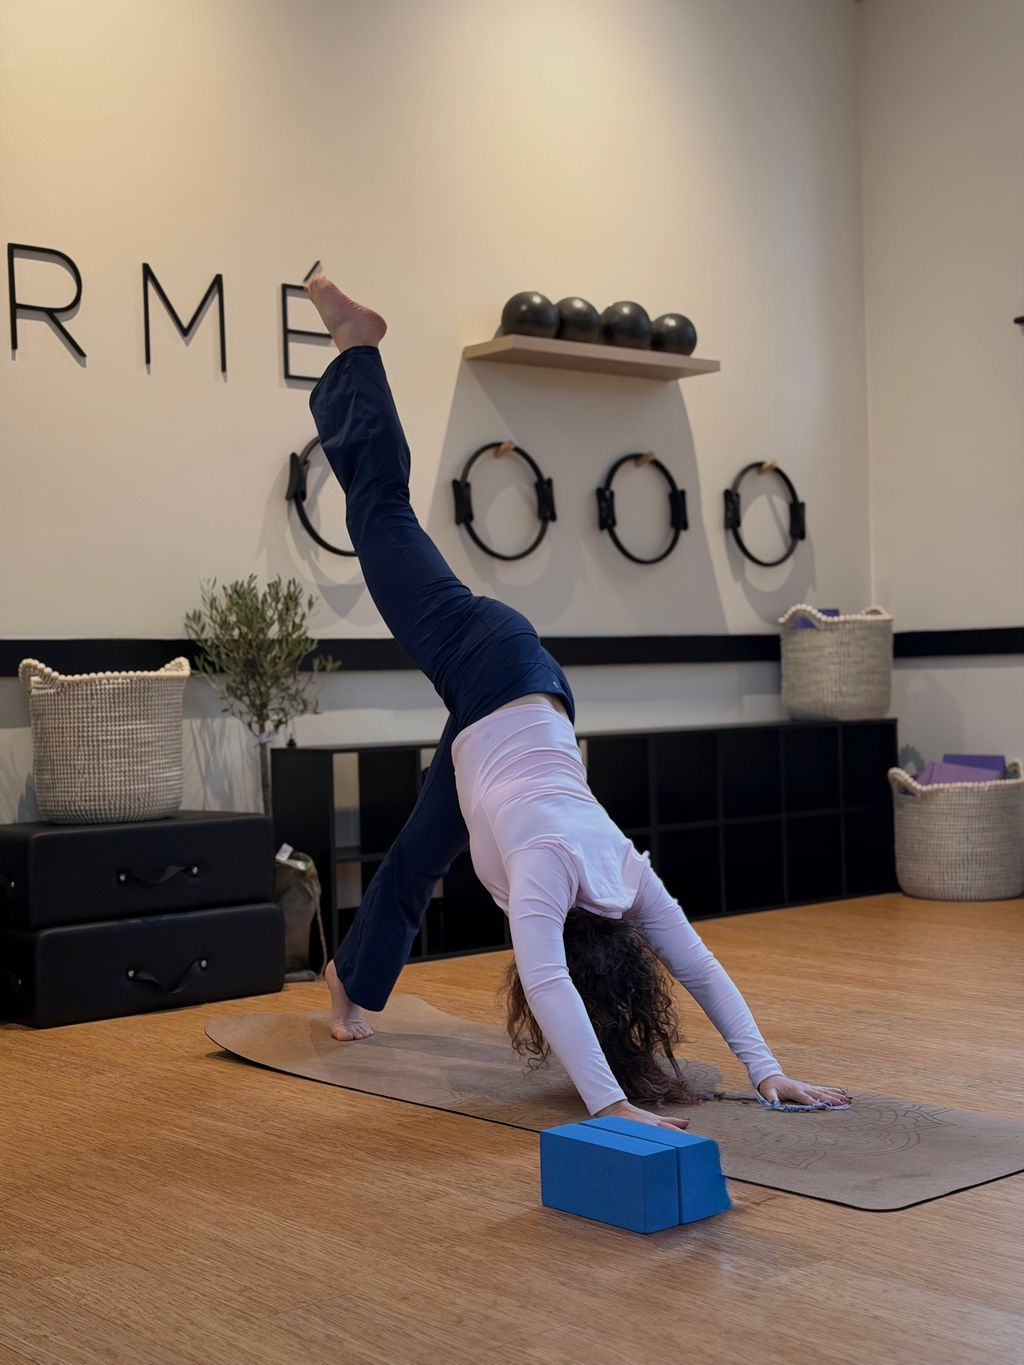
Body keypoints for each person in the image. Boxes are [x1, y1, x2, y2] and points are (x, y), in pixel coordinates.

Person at [304, 271, 851, 1131]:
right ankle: (357, 349)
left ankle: (349, 986)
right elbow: (565, 984)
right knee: (381, 520)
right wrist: (615, 1104)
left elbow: (700, 966)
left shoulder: (620, 874)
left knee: (418, 853)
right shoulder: (552, 879)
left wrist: (770, 1071)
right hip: (490, 669)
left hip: (526, 712)